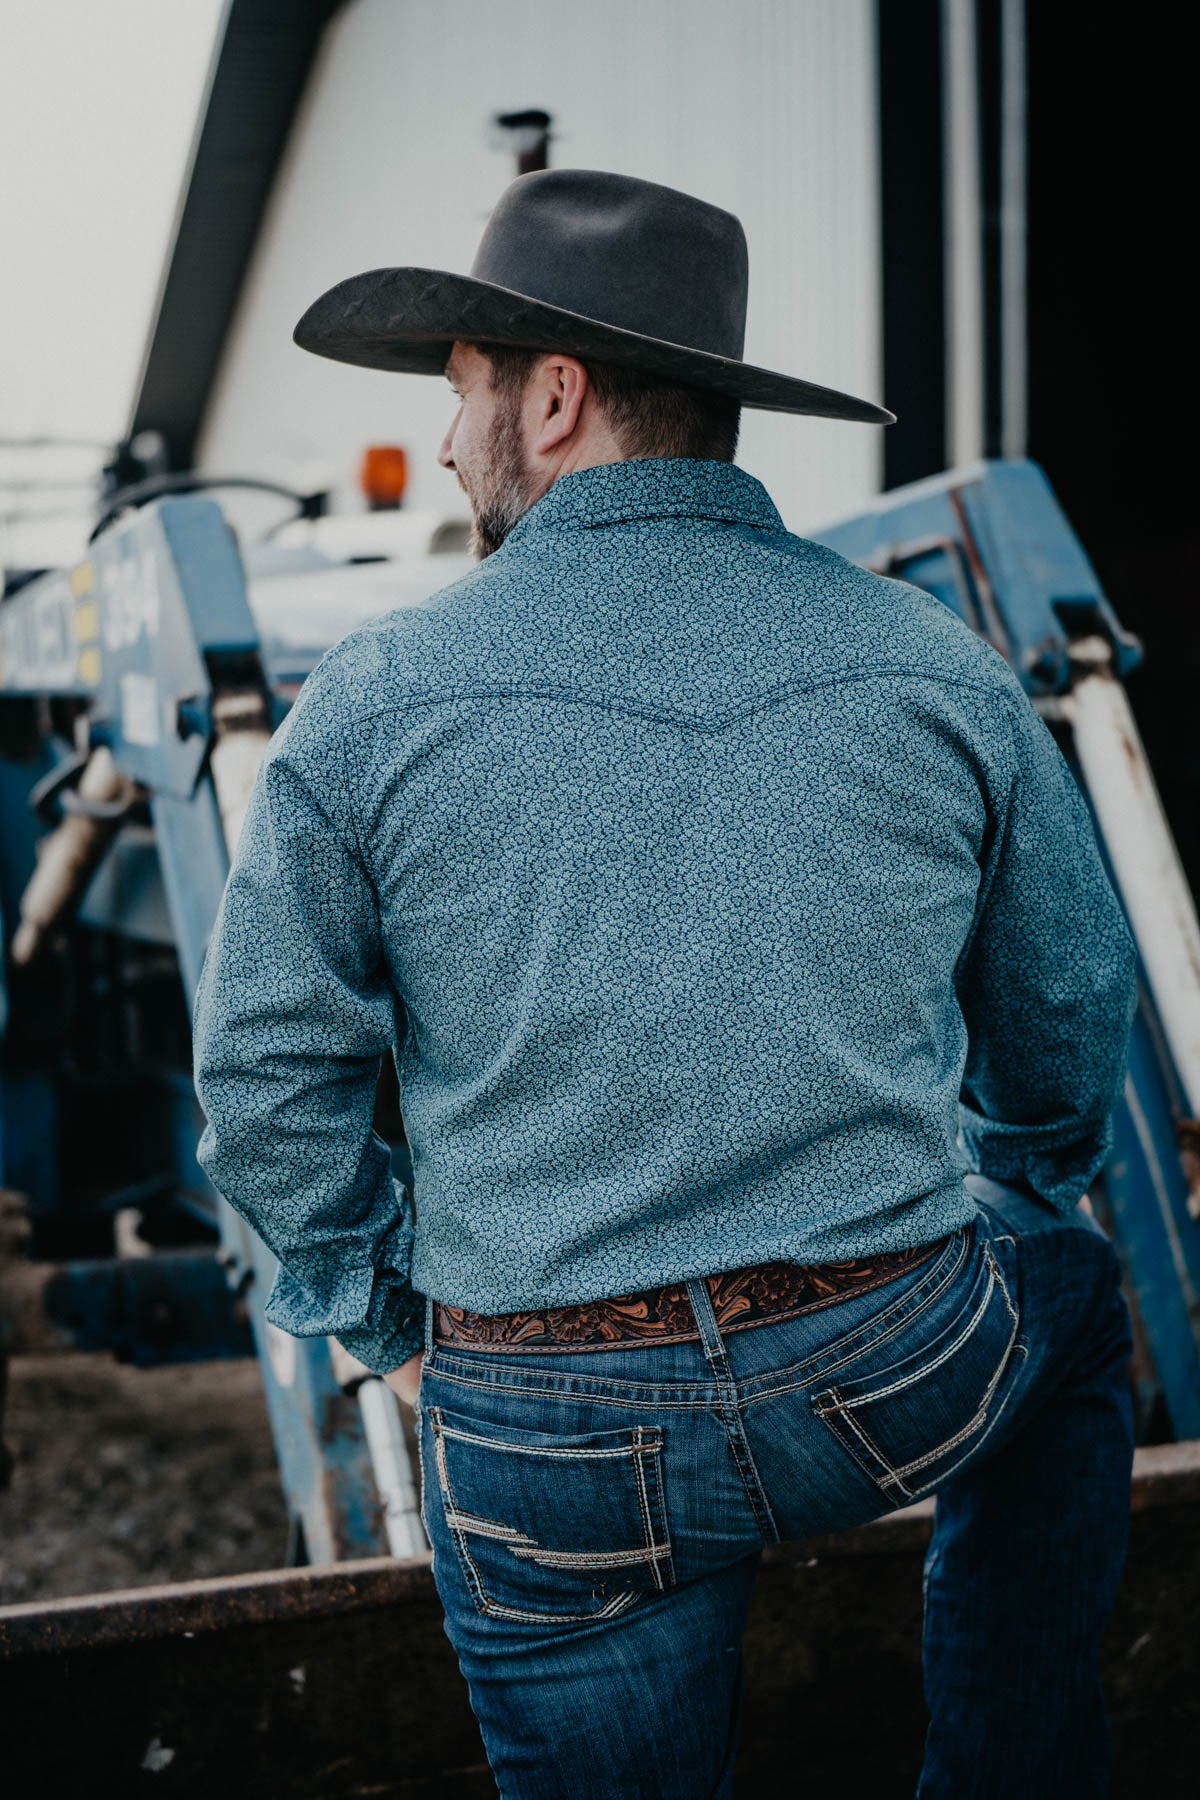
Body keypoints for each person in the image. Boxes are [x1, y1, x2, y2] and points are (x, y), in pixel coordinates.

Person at [193, 168, 1138, 1798]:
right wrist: (1020, 1175)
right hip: (891, 1364)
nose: (446, 443)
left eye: (462, 392)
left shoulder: (373, 700)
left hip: (547, 1434)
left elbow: (263, 1089)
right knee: (1069, 1296)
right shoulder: (936, 663)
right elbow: (1065, 1015)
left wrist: (387, 1319)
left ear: (555, 399)